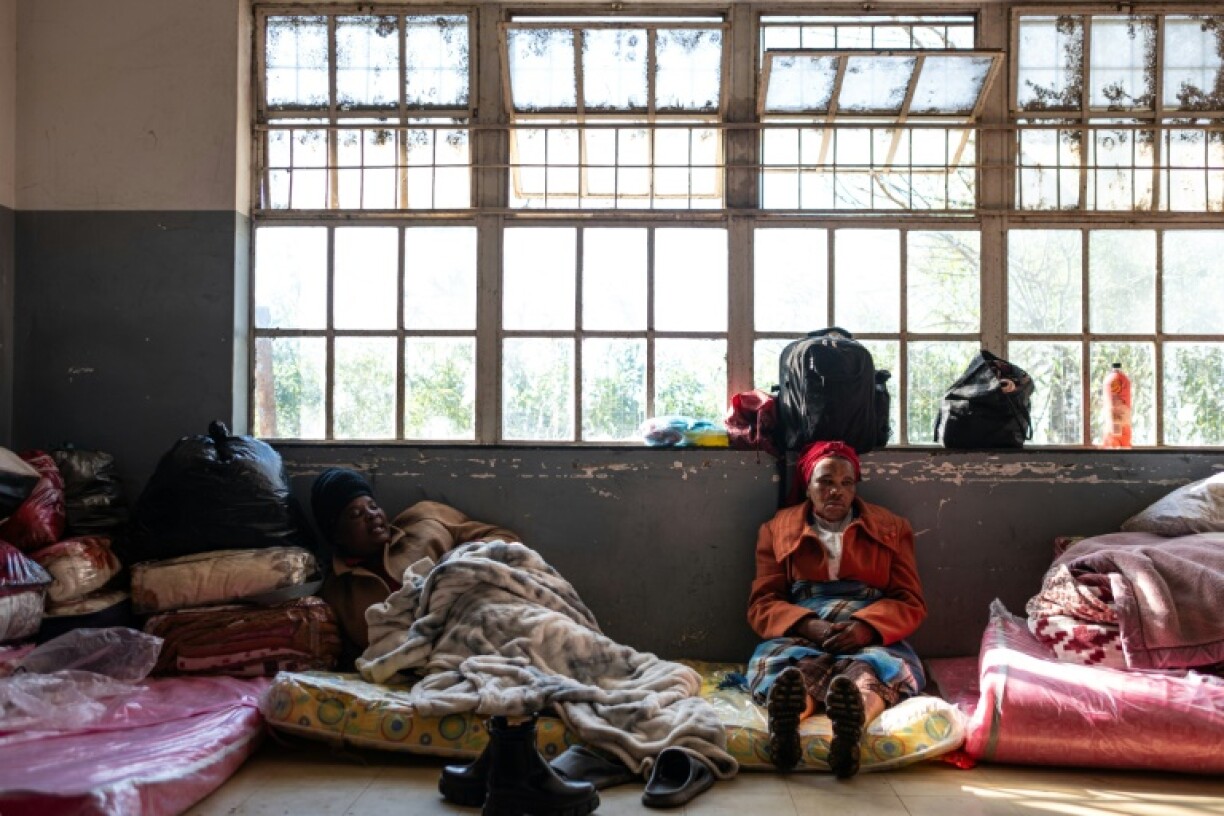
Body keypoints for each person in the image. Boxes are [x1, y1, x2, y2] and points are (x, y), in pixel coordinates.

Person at [746, 440, 926, 779]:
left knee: (872, 669)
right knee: (792, 669)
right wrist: (807, 626)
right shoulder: (776, 530)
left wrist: (865, 628)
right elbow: (763, 603)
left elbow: (909, 601)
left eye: (846, 483)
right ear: (808, 487)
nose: (836, 491)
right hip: (805, 625)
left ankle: (852, 721)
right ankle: (788, 719)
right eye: (825, 482)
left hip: (868, 625)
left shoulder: (892, 528)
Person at [309, 467, 522, 660]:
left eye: (373, 506)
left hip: (484, 617)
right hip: (431, 659)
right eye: (356, 514)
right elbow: (354, 656)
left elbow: (505, 540)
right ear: (337, 535)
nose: (372, 515)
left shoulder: (425, 521)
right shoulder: (337, 594)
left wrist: (457, 562)